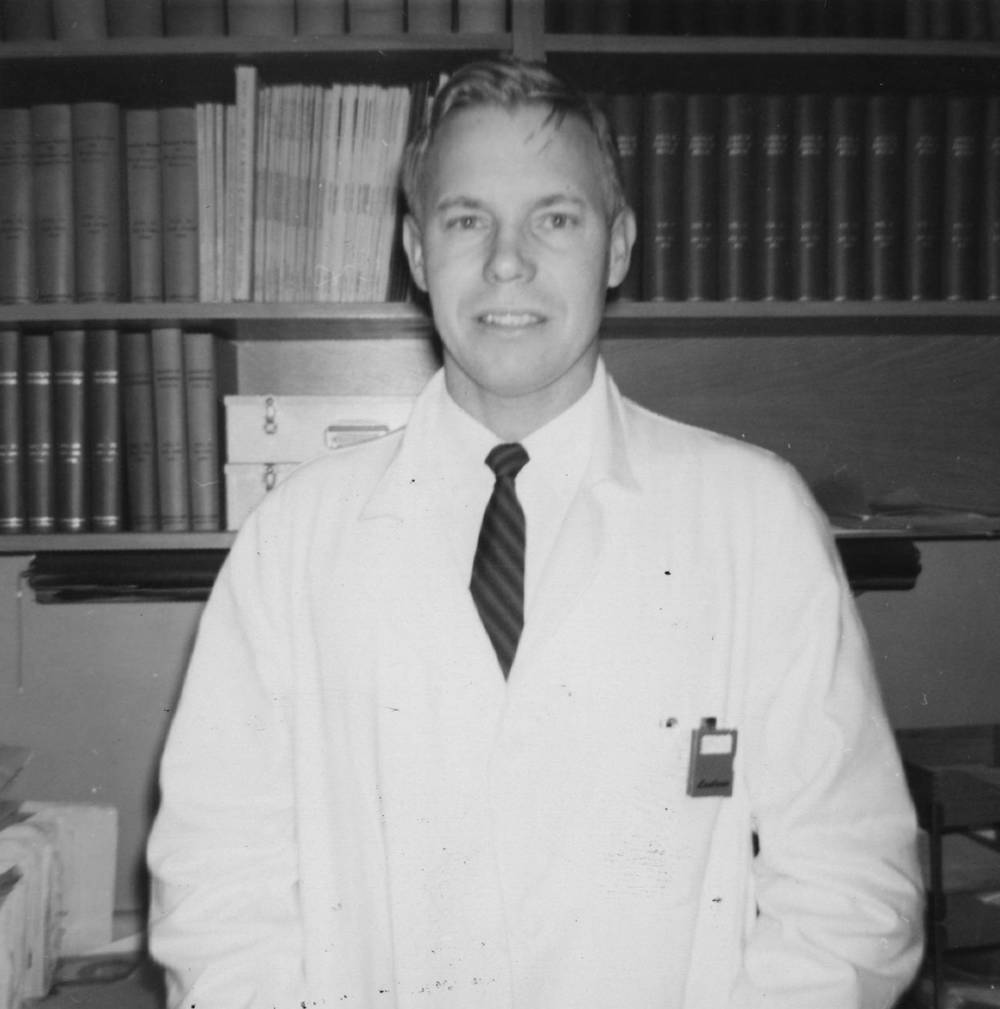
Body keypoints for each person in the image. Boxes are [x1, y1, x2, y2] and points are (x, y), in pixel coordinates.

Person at [147, 57, 924, 1008]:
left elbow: (852, 889)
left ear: (619, 245)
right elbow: (218, 890)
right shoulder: (292, 542)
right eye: (466, 220)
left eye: (555, 219)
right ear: (416, 251)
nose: (507, 262)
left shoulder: (754, 519)